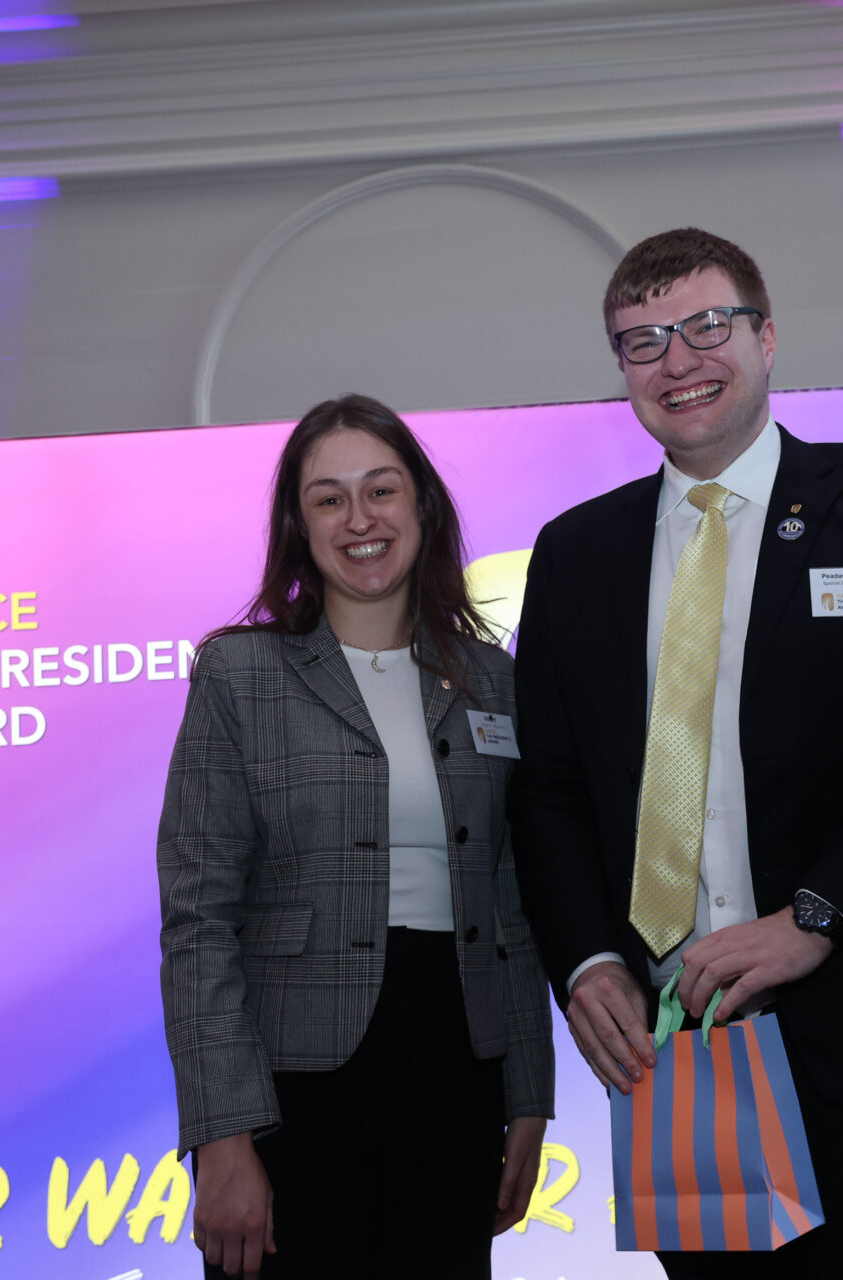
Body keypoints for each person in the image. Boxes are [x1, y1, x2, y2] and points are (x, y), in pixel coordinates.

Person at [509, 229, 843, 1278]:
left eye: (707, 326)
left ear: (767, 336)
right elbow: (550, 789)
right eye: (644, 341)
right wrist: (588, 961)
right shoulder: (575, 552)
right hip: (680, 1044)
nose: (678, 360)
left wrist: (817, 917)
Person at [157, 394, 556, 1280]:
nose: (360, 519)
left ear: (422, 505)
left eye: (381, 490)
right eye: (329, 499)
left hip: (457, 1073)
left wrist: (529, 1095)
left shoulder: (492, 680)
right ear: (299, 526)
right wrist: (221, 1134)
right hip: (289, 1090)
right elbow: (198, 922)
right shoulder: (240, 674)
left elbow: (513, 905)